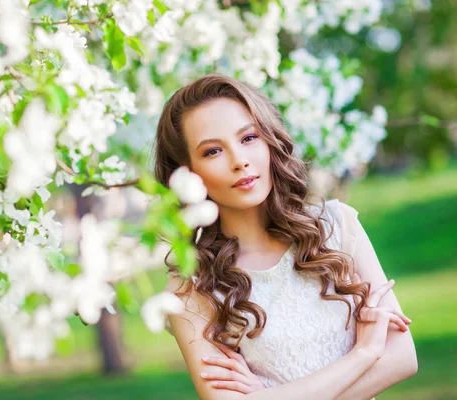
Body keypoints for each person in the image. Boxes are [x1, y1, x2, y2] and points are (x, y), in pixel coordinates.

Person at [151, 74, 418, 399]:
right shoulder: (191, 290)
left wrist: (273, 394)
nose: (240, 161)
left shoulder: (337, 226)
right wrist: (364, 355)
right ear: (186, 173)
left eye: (248, 138)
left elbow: (403, 358)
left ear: (268, 139)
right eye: (212, 152)